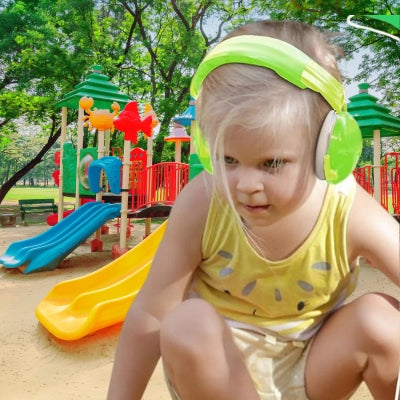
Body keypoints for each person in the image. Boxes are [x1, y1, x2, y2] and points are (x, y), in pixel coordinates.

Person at [107, 19, 399, 400]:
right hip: (222, 377)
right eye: (227, 158)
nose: (245, 184)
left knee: (383, 321)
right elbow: (151, 311)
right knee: (184, 323)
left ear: (328, 149)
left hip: (316, 369)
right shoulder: (204, 201)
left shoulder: (346, 207)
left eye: (271, 163)